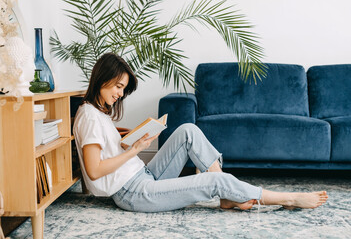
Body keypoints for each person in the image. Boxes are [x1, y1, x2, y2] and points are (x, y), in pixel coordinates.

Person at [73, 52, 328, 213]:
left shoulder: (96, 112)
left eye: (123, 89)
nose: (119, 94)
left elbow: (101, 148)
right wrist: (137, 150)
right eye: (118, 86)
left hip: (143, 175)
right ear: (102, 78)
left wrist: (128, 140)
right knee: (215, 182)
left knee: (187, 131)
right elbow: (95, 170)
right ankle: (289, 198)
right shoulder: (90, 117)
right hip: (132, 193)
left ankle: (229, 198)